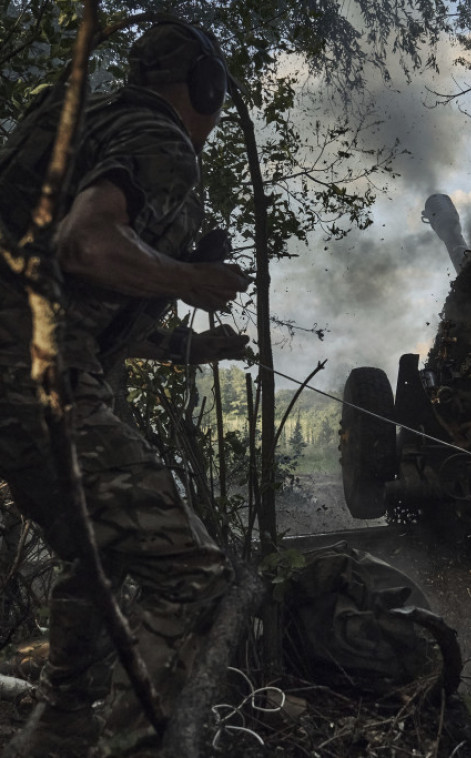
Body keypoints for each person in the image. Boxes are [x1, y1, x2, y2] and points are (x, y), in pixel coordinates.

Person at [0, 21, 250, 757]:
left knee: (99, 548)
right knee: (193, 575)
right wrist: (195, 280)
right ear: (205, 87)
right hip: (35, 377)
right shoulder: (159, 137)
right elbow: (88, 245)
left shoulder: (86, 124)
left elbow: (76, 294)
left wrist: (188, 345)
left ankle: (63, 724)